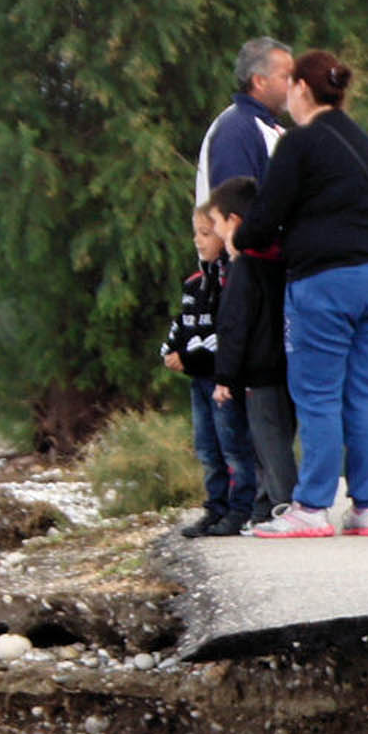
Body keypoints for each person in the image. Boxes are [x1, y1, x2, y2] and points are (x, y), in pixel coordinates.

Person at [231, 50, 368, 539]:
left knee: (316, 394)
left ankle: (311, 507)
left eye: (291, 84)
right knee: (364, 392)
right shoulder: (360, 139)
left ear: (303, 90)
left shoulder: (299, 143)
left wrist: (240, 240)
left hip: (330, 282)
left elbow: (266, 215)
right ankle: (367, 507)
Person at [205, 178, 294, 523]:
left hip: (260, 368)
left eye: (216, 224)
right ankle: (263, 506)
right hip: (287, 360)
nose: (215, 232)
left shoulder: (245, 267)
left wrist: (225, 375)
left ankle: (286, 504)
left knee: (269, 440)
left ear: (235, 223)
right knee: (278, 434)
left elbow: (234, 324)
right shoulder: (281, 258)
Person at [162, 219, 243, 536]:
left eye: (206, 233)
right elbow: (182, 324)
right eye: (195, 233)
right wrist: (170, 351)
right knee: (206, 448)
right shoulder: (193, 283)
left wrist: (191, 359)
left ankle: (240, 509)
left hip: (220, 378)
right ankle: (215, 507)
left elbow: (224, 334)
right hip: (199, 380)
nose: (198, 240)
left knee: (232, 447)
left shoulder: (231, 282)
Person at [202, 38, 292, 204]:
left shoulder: (271, 128)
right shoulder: (236, 130)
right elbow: (232, 211)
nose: (294, 86)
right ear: (259, 81)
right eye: (286, 77)